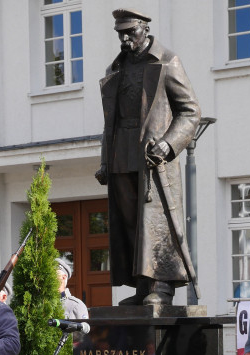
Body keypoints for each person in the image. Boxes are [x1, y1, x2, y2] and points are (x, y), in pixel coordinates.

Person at [96, 8, 201, 306]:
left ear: (144, 28)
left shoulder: (167, 61)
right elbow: (109, 121)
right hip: (121, 152)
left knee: (155, 222)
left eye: (130, 32)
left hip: (153, 157)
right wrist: (105, 161)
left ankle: (162, 286)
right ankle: (143, 287)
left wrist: (169, 145)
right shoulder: (116, 69)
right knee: (130, 222)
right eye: (121, 34)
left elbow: (191, 111)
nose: (125, 38)